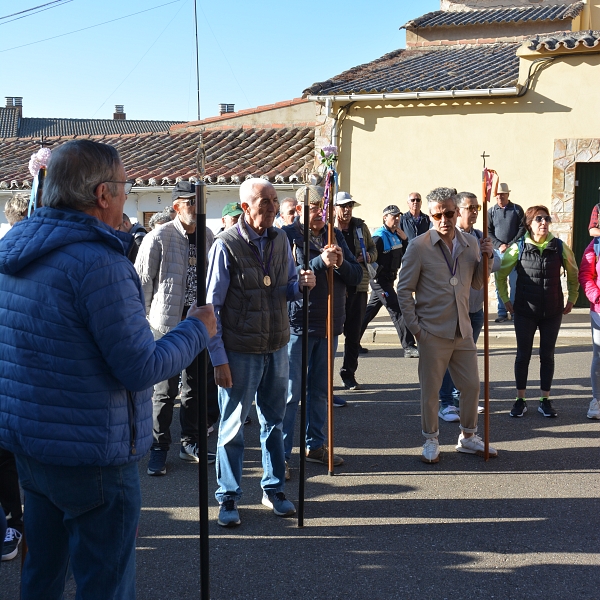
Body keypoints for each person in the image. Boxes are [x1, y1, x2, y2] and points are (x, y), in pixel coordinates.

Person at [0, 139, 216, 598]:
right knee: (106, 584)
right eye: (124, 186)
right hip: (91, 453)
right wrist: (197, 330)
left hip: (34, 448)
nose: (126, 195)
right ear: (102, 194)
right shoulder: (99, 263)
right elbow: (140, 366)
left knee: (41, 575)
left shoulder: (15, 252)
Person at [207, 178, 316, 527]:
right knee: (233, 427)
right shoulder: (225, 246)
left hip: (276, 345)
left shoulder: (280, 238)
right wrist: (218, 359)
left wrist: (300, 286)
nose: (270, 207)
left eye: (273, 200)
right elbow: (212, 308)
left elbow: (283, 289)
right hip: (240, 350)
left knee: (275, 421)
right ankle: (228, 497)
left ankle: (274, 489)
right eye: (263, 201)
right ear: (244, 207)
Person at [397, 187, 497, 463]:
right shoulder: (418, 247)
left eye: (450, 213)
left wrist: (486, 260)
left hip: (463, 330)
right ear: (430, 215)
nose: (445, 219)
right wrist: (416, 329)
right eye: (438, 214)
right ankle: (430, 439)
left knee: (472, 387)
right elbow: (403, 291)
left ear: (457, 212)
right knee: (430, 392)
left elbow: (476, 283)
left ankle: (468, 437)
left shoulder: (471, 243)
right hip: (432, 331)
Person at [136, 181, 216, 476]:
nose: (196, 208)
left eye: (199, 201)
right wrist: (144, 324)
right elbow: (142, 283)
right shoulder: (158, 237)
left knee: (196, 386)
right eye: (190, 202)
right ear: (176, 207)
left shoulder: (207, 235)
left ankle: (190, 441)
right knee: (164, 389)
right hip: (165, 323)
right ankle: (158, 447)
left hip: (196, 322)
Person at [282, 186, 362, 476]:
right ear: (300, 210)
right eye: (313, 208)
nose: (319, 213)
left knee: (319, 391)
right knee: (290, 394)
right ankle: (281, 455)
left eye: (322, 208)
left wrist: (339, 262)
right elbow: (290, 275)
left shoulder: (335, 234)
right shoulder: (288, 236)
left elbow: (355, 274)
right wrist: (320, 262)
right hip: (297, 325)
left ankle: (315, 445)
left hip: (329, 323)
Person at [496, 205, 579, 418]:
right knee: (523, 355)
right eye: (538, 219)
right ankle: (520, 399)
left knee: (547, 356)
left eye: (546, 219)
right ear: (529, 224)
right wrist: (505, 300)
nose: (543, 223)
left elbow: (573, 273)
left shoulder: (559, 247)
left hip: (552, 311)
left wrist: (572, 298)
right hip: (524, 311)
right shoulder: (518, 248)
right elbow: (500, 274)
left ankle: (545, 400)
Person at [437, 192, 501, 422]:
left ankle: (458, 398)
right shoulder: (451, 237)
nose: (475, 212)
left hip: (474, 309)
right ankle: (445, 402)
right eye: (470, 207)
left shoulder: (480, 236)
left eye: (477, 208)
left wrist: (488, 253)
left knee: (465, 360)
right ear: (458, 211)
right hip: (454, 310)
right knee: (447, 359)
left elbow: (496, 265)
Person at [359, 205, 418, 358]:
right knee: (397, 309)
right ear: (385, 218)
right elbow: (369, 257)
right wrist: (375, 274)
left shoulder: (396, 234)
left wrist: (405, 240)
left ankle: (352, 342)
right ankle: (409, 347)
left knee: (369, 312)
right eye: (393, 216)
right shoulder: (379, 236)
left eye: (398, 216)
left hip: (389, 280)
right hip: (380, 281)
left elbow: (406, 254)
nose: (397, 219)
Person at [334, 191, 377, 390]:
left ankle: (348, 374)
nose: (347, 210)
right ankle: (323, 376)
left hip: (358, 287)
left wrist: (368, 256)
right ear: (334, 209)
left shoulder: (360, 227)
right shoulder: (329, 229)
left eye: (350, 206)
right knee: (331, 335)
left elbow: (373, 250)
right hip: (335, 288)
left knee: (353, 335)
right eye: (343, 206)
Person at [488, 183, 526, 323]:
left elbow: (522, 229)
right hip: (498, 253)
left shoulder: (516, 210)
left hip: (514, 252)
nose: (499, 197)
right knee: (500, 283)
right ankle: (502, 312)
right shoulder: (491, 211)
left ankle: (514, 312)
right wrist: (499, 245)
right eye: (497, 195)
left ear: (507, 195)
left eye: (502, 194)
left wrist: (510, 245)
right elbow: (488, 231)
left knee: (515, 283)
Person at [578, 237, 600, 420]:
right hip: (599, 312)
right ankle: (597, 400)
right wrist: (596, 296)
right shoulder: (595, 245)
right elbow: (585, 274)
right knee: (599, 357)